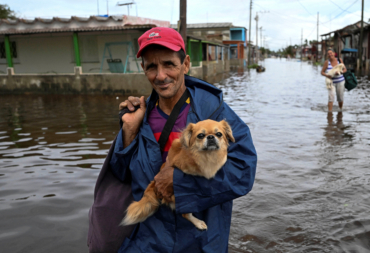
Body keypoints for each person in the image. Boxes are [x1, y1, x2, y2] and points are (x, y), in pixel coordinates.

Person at [87, 27, 257, 253]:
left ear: (185, 64)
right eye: (151, 67)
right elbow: (121, 175)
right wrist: (128, 130)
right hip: (147, 240)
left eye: (169, 64)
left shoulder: (213, 113)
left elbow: (243, 171)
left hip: (200, 241)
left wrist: (178, 181)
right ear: (143, 69)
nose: (160, 75)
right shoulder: (141, 117)